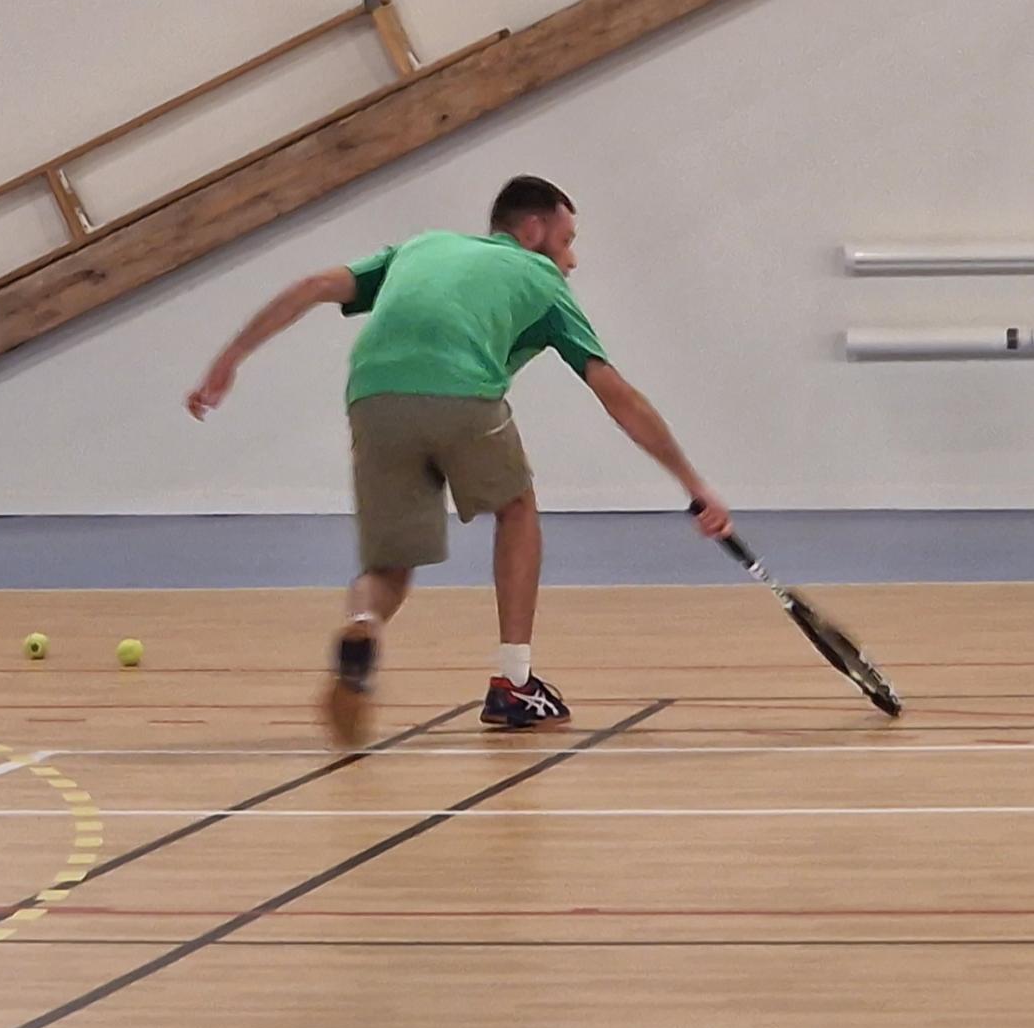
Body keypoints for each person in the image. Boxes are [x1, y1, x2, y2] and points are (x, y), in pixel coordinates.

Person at [186, 175, 731, 743]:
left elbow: (313, 284)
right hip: (463, 395)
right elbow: (617, 395)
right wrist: (693, 483)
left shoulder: (421, 246)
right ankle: (515, 683)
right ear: (532, 229)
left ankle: (363, 624)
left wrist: (230, 359)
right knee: (516, 507)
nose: (571, 260)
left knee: (388, 566)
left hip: (373, 398)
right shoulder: (541, 278)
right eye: (567, 241)